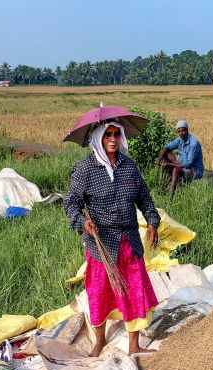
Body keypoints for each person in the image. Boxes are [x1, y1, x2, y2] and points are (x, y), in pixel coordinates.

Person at [64, 121, 161, 357]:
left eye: (117, 134)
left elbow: (145, 199)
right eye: (108, 134)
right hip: (101, 243)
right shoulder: (85, 169)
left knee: (133, 290)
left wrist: (152, 221)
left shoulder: (129, 167)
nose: (113, 139)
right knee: (98, 292)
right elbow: (71, 203)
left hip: (128, 240)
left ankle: (133, 344)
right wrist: (81, 222)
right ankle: (99, 340)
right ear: (98, 137)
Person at [158, 119, 204, 195]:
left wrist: (169, 164)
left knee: (176, 169)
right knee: (167, 153)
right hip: (182, 164)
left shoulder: (193, 144)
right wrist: (159, 159)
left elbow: (188, 164)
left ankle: (171, 193)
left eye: (183, 131)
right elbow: (166, 147)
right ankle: (169, 182)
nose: (181, 133)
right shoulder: (180, 139)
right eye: (179, 131)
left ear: (187, 130)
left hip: (194, 170)